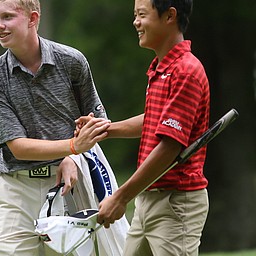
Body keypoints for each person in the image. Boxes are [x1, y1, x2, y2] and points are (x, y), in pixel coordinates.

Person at [76, 0, 210, 255]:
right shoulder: (162, 68)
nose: (135, 22)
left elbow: (169, 146)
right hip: (148, 198)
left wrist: (120, 197)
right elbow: (154, 119)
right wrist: (105, 130)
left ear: (169, 16)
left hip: (176, 203)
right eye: (135, 15)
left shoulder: (186, 71)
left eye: (141, 15)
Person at [0, 0, 110, 255]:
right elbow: (18, 147)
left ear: (32, 18)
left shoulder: (72, 62)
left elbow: (97, 124)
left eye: (7, 17)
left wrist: (74, 156)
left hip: (70, 188)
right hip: (15, 192)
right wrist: (72, 147)